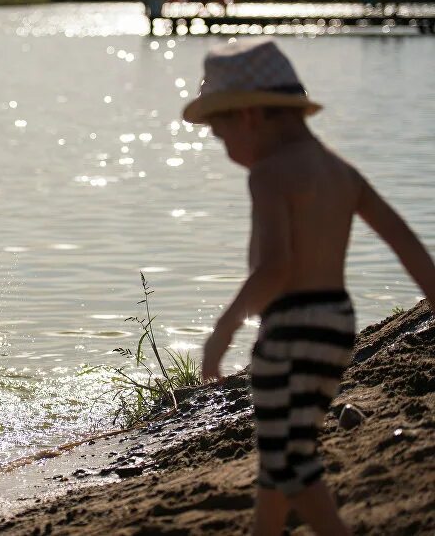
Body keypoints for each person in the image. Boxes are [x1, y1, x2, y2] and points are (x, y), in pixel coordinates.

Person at [185, 38, 435, 536]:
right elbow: (405, 241)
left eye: (219, 132)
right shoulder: (341, 171)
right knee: (285, 452)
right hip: (337, 326)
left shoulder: (270, 175)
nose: (222, 146)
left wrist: (225, 327)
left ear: (249, 115)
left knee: (290, 462)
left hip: (291, 331)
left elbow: (275, 268)